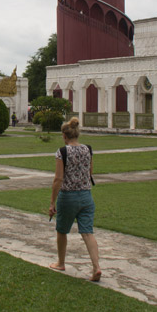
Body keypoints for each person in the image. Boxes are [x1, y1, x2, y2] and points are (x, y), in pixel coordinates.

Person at [48, 117, 101, 281]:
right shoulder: (88, 149)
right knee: (87, 232)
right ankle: (96, 267)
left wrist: (52, 202)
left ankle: (61, 262)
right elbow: (90, 171)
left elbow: (58, 179)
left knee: (62, 230)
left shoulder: (62, 152)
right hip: (86, 196)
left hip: (68, 196)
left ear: (65, 136)